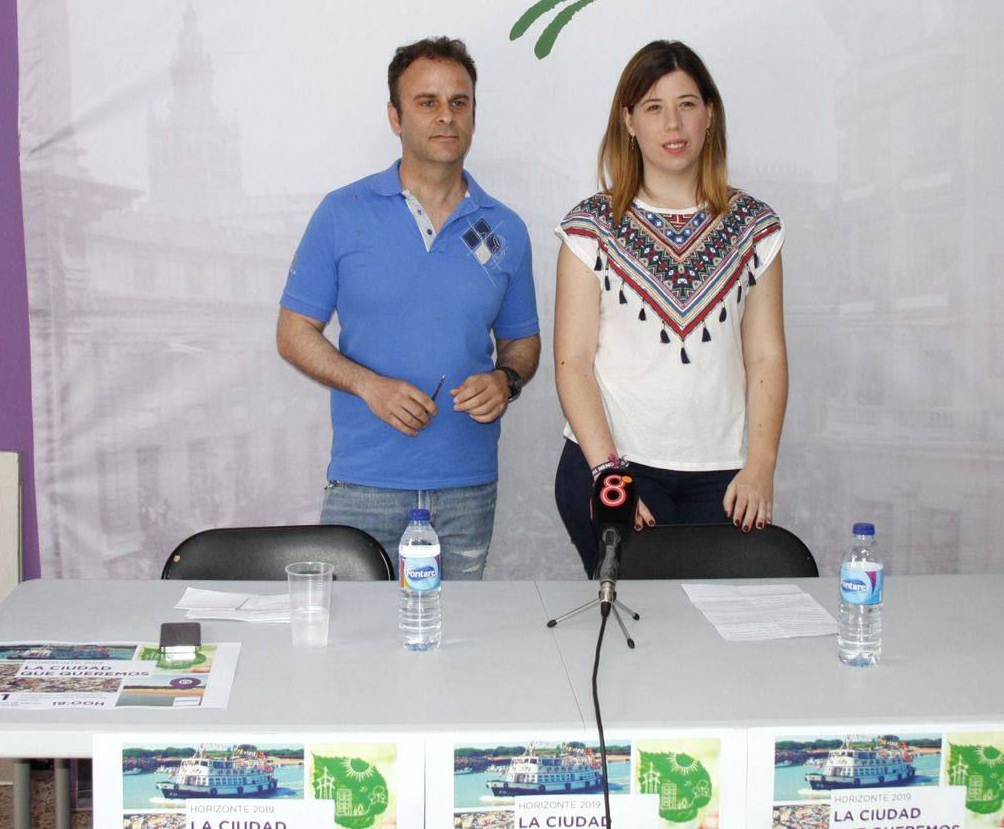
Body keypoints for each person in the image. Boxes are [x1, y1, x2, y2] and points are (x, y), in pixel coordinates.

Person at [277, 36, 540, 579]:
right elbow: (293, 332)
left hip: (467, 487)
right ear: (396, 117)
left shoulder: (506, 228)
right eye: (427, 102)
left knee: (458, 642)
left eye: (459, 102)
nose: (446, 116)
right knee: (353, 647)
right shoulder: (341, 211)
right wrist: (369, 386)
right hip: (364, 485)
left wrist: (506, 380)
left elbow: (523, 341)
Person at [552, 39, 788, 577]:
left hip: (727, 477)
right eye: (654, 107)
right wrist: (610, 477)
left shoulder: (755, 225)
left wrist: (761, 466)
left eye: (687, 103)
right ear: (629, 121)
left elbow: (767, 358)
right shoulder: (591, 226)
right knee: (632, 632)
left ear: (710, 114)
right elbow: (573, 361)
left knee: (716, 642)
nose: (673, 123)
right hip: (616, 467)